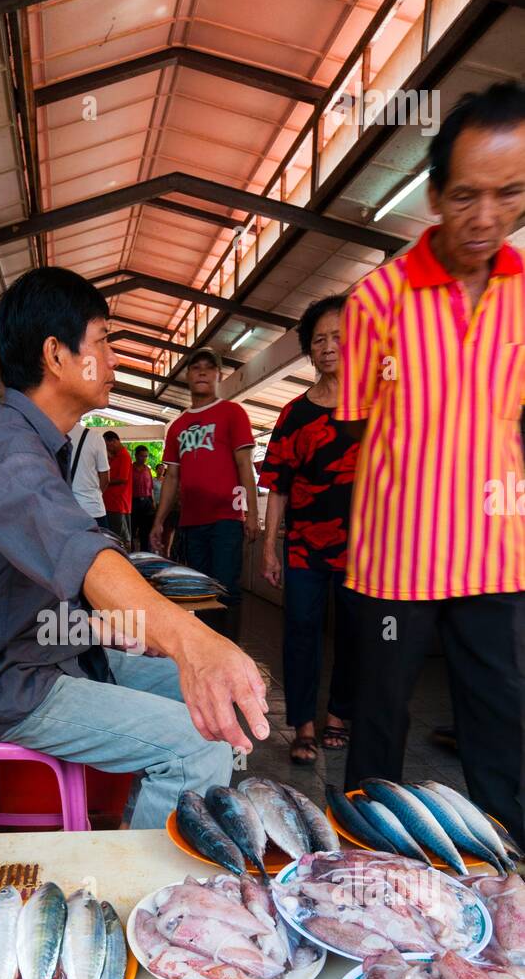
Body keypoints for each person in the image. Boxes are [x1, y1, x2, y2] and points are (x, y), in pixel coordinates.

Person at [0, 266, 269, 830]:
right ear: (56, 355)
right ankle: (150, 902)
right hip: (9, 684)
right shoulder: (6, 457)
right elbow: (83, 558)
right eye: (104, 342)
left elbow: (52, 582)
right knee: (198, 745)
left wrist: (135, 632)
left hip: (53, 655)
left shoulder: (38, 446)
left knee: (229, 697)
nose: (113, 362)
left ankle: (145, 829)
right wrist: (192, 645)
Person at [338, 81, 525, 844]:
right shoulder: (374, 300)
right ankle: (355, 867)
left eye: (509, 193)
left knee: (501, 725)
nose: (485, 217)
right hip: (393, 562)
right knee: (378, 725)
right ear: (433, 194)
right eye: (464, 195)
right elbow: (356, 430)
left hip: (498, 557)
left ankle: (507, 878)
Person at [259, 296, 358, 766]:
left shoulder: (377, 409)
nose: (329, 346)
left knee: (356, 633)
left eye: (339, 335)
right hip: (303, 548)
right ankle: (304, 724)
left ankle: (339, 714)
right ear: (309, 351)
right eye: (319, 339)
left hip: (365, 550)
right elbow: (276, 484)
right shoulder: (294, 414)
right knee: (300, 631)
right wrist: (269, 547)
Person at [150, 348, 259, 641]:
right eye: (195, 367)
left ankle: (230, 651)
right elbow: (172, 477)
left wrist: (251, 515)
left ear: (218, 375)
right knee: (200, 590)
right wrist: (159, 521)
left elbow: (244, 467)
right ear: (187, 375)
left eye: (208, 368)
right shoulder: (177, 426)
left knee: (225, 588)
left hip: (226, 519)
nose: (201, 372)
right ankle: (209, 649)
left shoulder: (232, 413)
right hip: (191, 523)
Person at [68, 420, 109, 524]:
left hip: (61, 509)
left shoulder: (48, 435)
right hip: (92, 509)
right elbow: (105, 478)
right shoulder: (95, 437)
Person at [102, 430, 133, 547]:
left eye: (107, 445)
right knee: (113, 535)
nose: (107, 448)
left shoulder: (124, 456)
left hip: (118, 503)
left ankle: (126, 560)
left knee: (121, 537)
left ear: (114, 441)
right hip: (111, 502)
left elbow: (123, 478)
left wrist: (104, 481)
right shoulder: (114, 457)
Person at [131, 444, 155, 551]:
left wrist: (153, 501)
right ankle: (131, 554)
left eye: (146, 456)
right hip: (133, 502)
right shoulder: (130, 468)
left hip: (147, 502)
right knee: (132, 529)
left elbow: (151, 488)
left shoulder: (147, 470)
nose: (144, 458)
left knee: (145, 531)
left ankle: (145, 553)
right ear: (136, 455)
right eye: (142, 456)